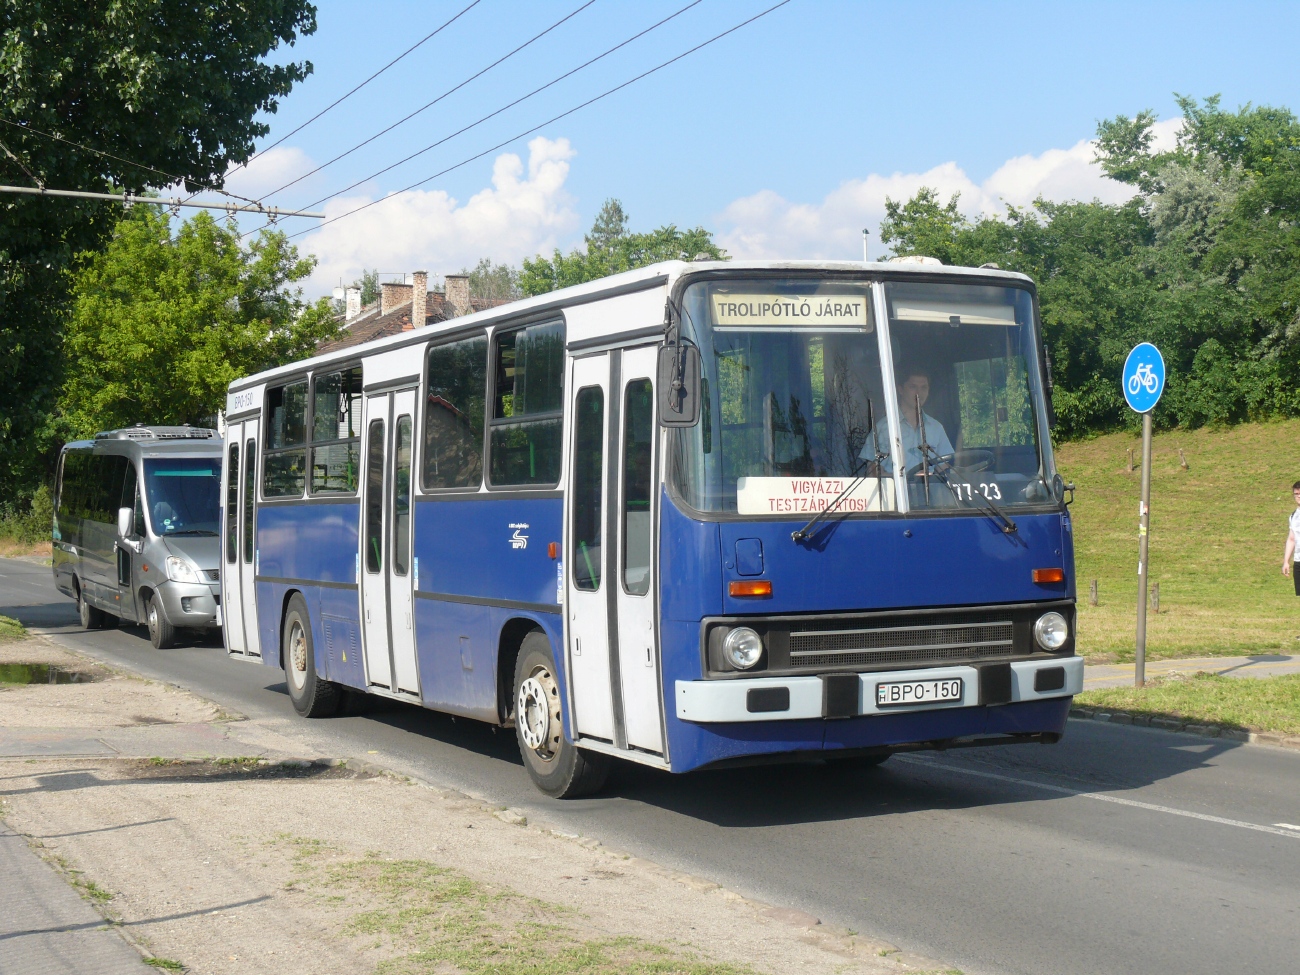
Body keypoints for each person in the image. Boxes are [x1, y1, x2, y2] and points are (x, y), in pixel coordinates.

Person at [863, 367, 953, 473]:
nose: (918, 393)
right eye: (913, 387)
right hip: (897, 489)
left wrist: (931, 478)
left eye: (924, 387)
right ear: (900, 389)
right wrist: (906, 481)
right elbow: (873, 473)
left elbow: (943, 468)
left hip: (930, 489)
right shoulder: (883, 428)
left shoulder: (936, 428)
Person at [1284, 480, 1300, 596]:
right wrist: (1286, 561)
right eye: (1296, 494)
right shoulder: (1293, 516)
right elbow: (1291, 539)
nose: (1299, 496)